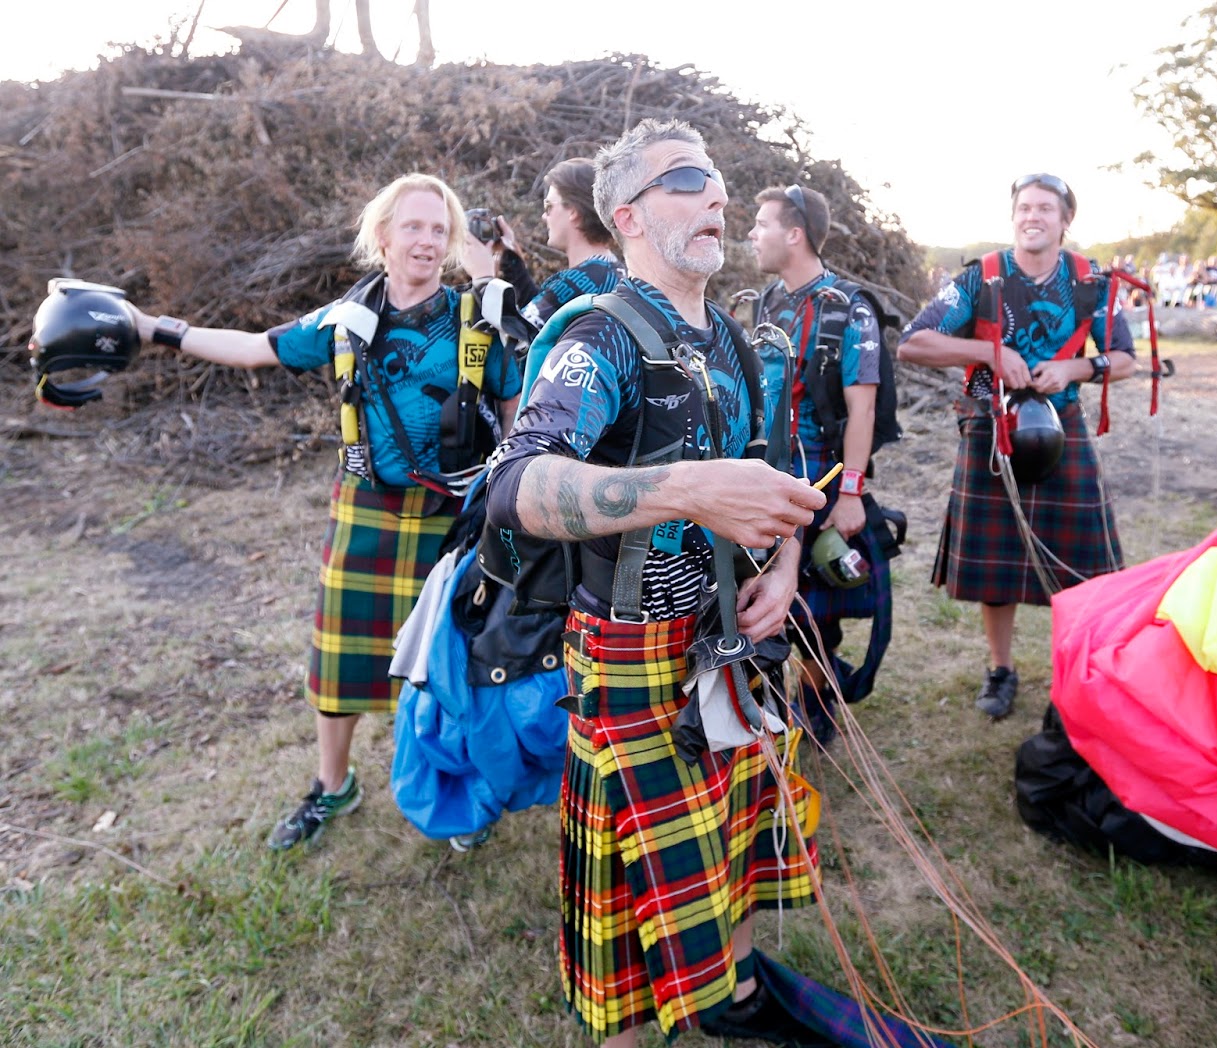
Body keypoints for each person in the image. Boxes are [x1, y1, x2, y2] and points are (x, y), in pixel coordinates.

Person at [484, 119, 829, 1047]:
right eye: (688, 180)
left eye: (718, 180)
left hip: (734, 634)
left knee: (742, 829)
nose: (717, 195)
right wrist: (681, 490)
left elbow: (774, 472)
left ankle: (737, 993)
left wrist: (787, 562)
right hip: (629, 649)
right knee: (633, 879)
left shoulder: (732, 338)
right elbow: (514, 485)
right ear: (627, 215)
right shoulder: (597, 341)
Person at [126, 174, 524, 850]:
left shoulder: (478, 321)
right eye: (413, 226)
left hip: (455, 518)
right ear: (383, 237)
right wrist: (154, 328)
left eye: (438, 229)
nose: (426, 241)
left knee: (449, 662)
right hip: (366, 510)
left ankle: (457, 792)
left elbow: (515, 418)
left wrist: (506, 506)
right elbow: (254, 348)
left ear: (451, 243)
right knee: (340, 660)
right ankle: (332, 786)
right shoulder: (346, 320)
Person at [898, 172, 1135, 720]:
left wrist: (1077, 365)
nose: (1034, 216)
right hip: (991, 427)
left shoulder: (1090, 282)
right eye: (1025, 207)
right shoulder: (981, 278)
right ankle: (1001, 669)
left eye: (1046, 208)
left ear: (1065, 220)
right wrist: (987, 351)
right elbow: (914, 342)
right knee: (996, 568)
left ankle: (1072, 677)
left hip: (1063, 424)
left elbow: (1125, 358)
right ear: (1013, 216)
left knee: (1080, 568)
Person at [747, 183, 885, 744]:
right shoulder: (765, 303)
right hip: (764, 470)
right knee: (759, 592)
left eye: (762, 224)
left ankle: (817, 701)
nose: (752, 234)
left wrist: (850, 491)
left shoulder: (849, 308)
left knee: (814, 608)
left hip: (822, 472)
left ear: (795, 233)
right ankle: (766, 697)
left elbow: (864, 404)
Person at [490, 158, 623, 328]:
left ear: (573, 212)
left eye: (548, 207)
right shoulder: (613, 271)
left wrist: (484, 279)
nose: (544, 217)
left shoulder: (576, 281)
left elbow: (516, 339)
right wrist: (512, 262)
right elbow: (545, 314)